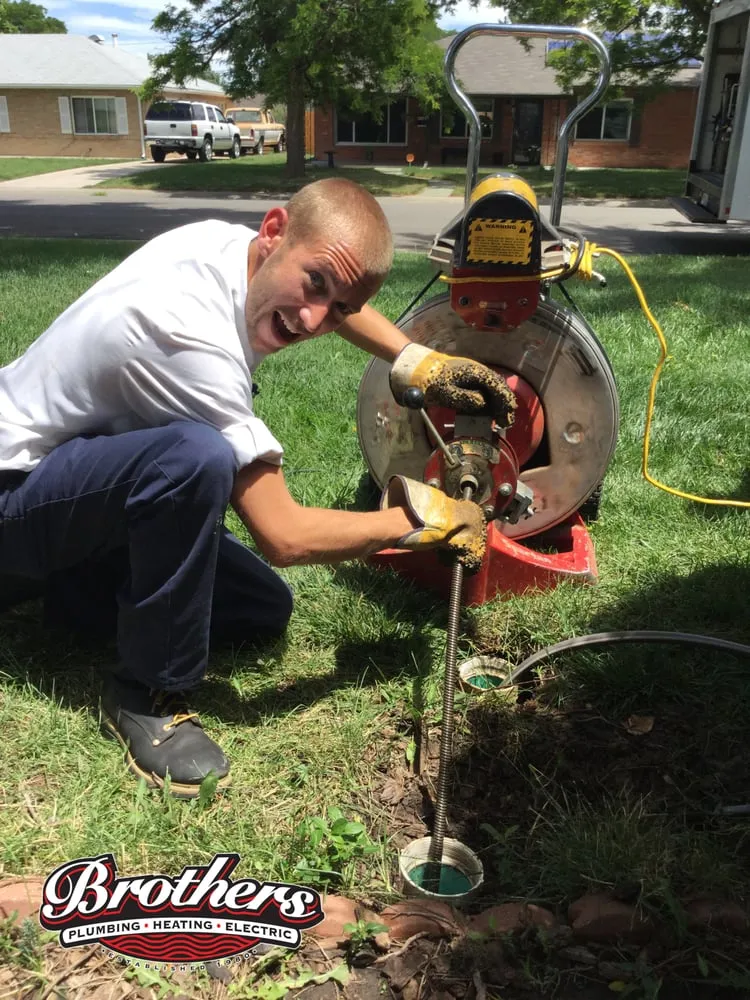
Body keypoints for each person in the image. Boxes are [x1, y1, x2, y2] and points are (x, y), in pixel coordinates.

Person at [0, 177, 514, 798]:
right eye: (314, 284)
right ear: (274, 232)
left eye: (339, 308)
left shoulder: (229, 248)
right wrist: (420, 521)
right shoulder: (184, 339)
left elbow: (337, 289)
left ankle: (71, 590)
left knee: (259, 610)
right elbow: (284, 535)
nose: (314, 320)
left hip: (70, 482)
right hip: (13, 496)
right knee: (195, 459)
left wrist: (417, 360)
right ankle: (147, 693)